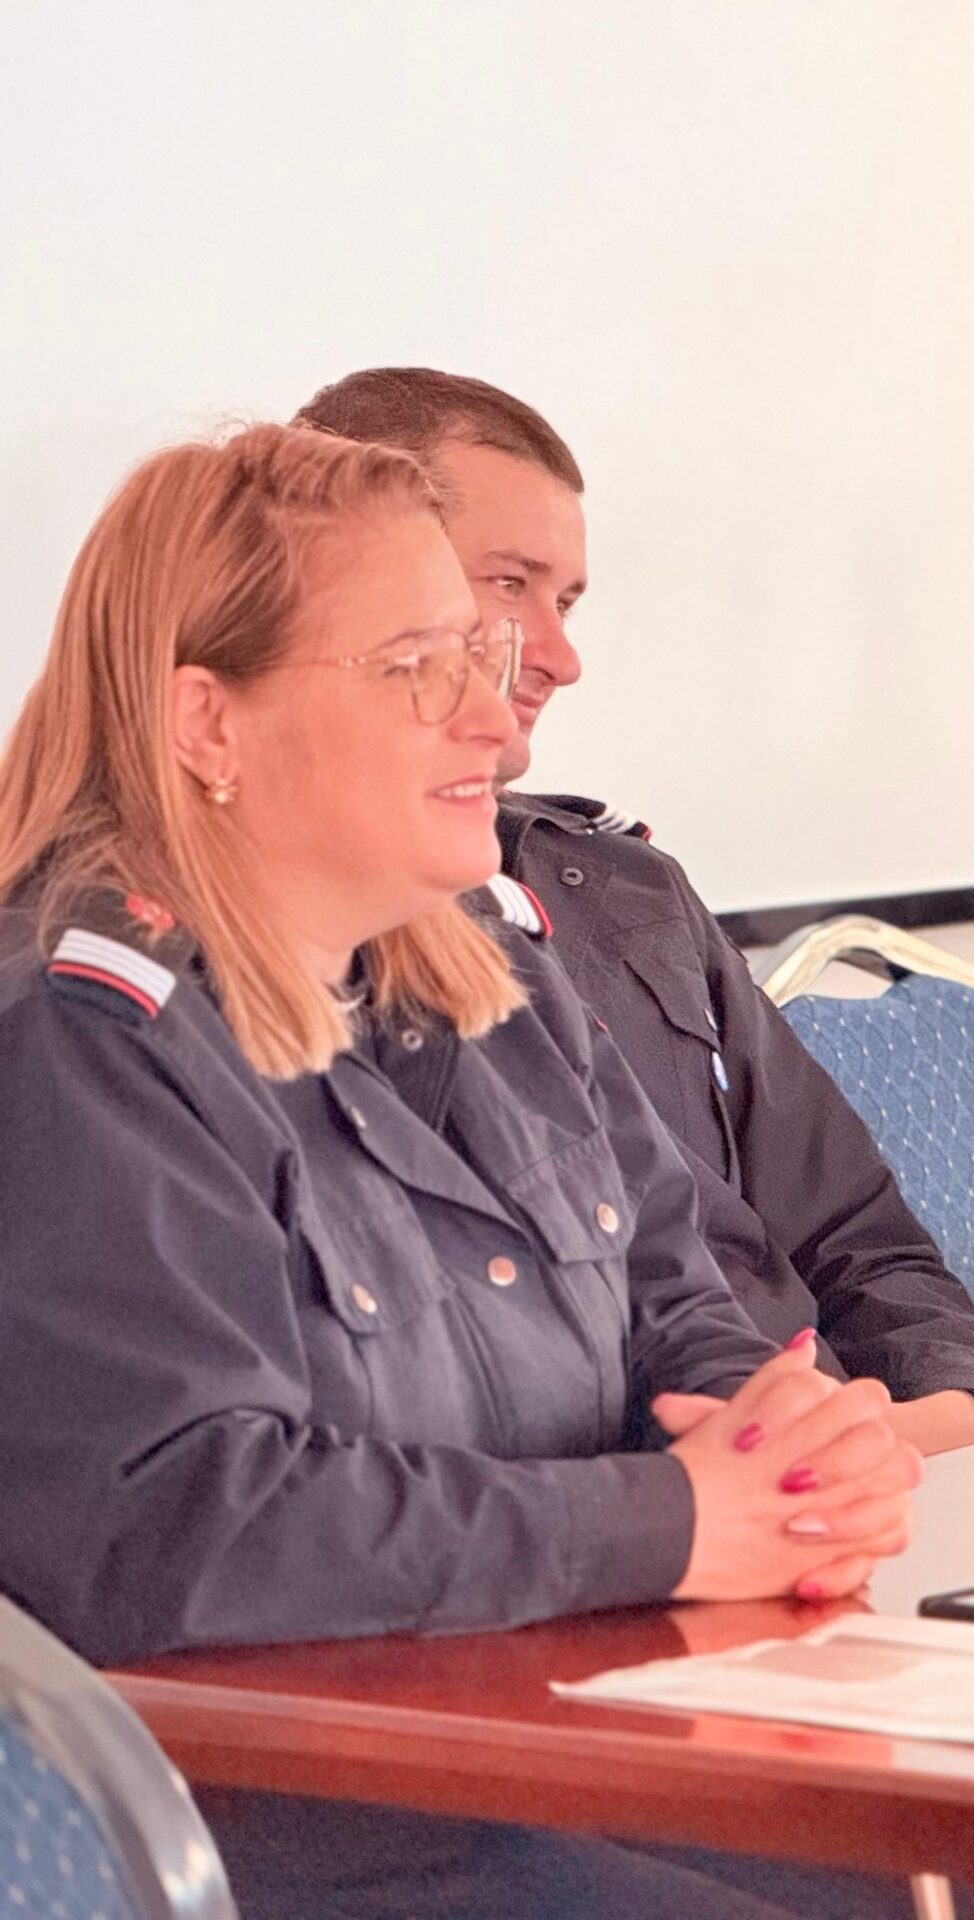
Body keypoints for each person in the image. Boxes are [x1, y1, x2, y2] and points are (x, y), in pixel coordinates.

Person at [0, 425, 927, 1917]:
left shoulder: (496, 977)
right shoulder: (80, 1037)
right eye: (417, 667)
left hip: (577, 1735)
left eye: (481, 655)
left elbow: (677, 1303)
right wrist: (675, 1521)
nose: (493, 718)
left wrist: (792, 1449)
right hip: (286, 1829)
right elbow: (189, 1518)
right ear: (208, 724)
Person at [295, 368, 974, 1450]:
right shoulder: (309, 948)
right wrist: (745, 1474)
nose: (558, 657)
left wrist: (949, 1416)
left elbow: (855, 1230)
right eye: (508, 585)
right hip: (649, 1494)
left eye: (567, 603)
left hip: (811, 1463)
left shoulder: (628, 889)